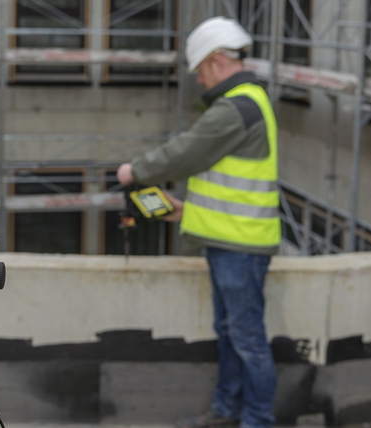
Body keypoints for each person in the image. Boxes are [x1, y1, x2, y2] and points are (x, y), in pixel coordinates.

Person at [116, 16, 280, 428]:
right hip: (230, 241)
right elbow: (230, 186)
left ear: (218, 61)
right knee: (231, 334)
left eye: (201, 70)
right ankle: (227, 411)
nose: (200, 81)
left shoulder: (237, 107)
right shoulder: (246, 103)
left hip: (240, 249)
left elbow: (186, 153)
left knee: (247, 341)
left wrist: (135, 172)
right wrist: (184, 210)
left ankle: (257, 421)